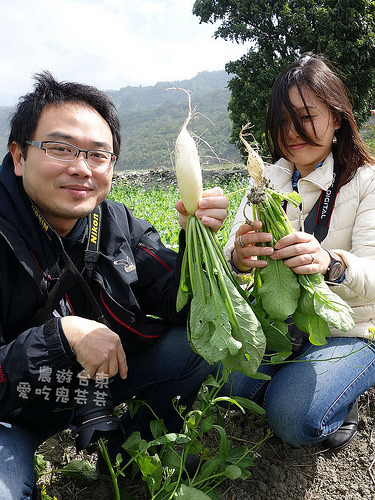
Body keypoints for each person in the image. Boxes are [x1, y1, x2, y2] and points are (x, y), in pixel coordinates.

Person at [0, 71, 228, 499]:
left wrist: (202, 245)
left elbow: (177, 299)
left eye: (98, 155)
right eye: (60, 148)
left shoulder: (117, 223)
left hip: (93, 385)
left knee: (195, 343)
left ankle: (128, 455)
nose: (81, 168)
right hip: (12, 404)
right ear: (18, 155)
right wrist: (60, 337)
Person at [223, 53, 375, 451]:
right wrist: (239, 257)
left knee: (292, 418)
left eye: (306, 117)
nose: (292, 132)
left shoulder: (365, 181)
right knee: (228, 388)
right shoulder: (267, 179)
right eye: (282, 122)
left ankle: (344, 398)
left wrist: (331, 264)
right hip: (285, 325)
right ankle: (298, 371)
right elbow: (228, 257)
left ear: (337, 118)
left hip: (354, 327)